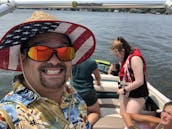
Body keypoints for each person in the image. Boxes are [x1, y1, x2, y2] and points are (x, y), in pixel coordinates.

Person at [0, 11, 96, 129]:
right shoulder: (6, 117)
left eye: (64, 51)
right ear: (22, 58)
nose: (55, 61)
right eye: (40, 51)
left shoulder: (74, 97)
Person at [110, 37, 149, 117]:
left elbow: (139, 81)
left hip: (138, 93)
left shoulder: (135, 59)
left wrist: (124, 90)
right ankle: (141, 113)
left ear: (123, 51)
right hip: (128, 91)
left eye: (117, 54)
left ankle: (154, 114)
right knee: (123, 114)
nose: (116, 57)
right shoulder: (125, 58)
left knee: (128, 117)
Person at [71, 58, 101, 127]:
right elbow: (97, 77)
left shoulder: (72, 60)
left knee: (77, 112)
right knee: (95, 112)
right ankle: (86, 126)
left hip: (74, 91)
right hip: (88, 92)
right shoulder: (92, 62)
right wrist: (98, 82)